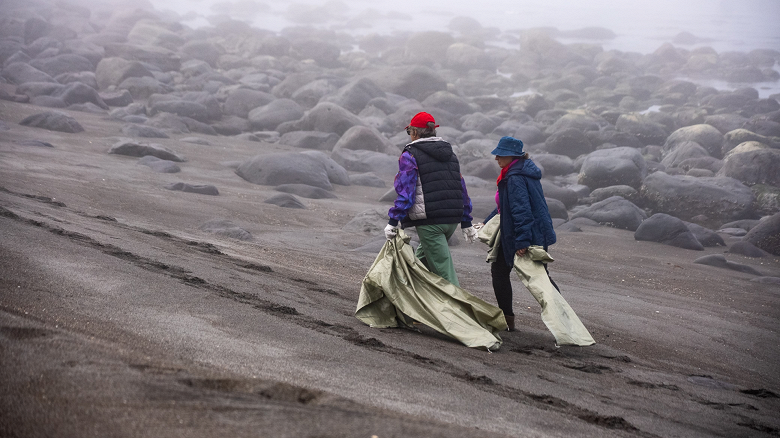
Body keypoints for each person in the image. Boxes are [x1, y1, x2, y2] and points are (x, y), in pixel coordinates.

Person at [385, 111, 478, 287]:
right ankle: (398, 299)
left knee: (445, 274)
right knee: (417, 265)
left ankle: (460, 312)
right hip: (451, 220)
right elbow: (461, 187)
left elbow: (406, 190)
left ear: (414, 133)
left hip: (430, 223)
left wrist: (393, 220)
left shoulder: (410, 154)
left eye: (409, 132)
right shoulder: (450, 154)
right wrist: (466, 221)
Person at [477, 136, 557, 331]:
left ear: (512, 156)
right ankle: (508, 320)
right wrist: (486, 222)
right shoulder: (518, 171)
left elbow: (521, 210)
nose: (496, 158)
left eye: (500, 154)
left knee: (537, 279)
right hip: (526, 231)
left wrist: (522, 241)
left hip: (525, 233)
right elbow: (504, 207)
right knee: (508, 272)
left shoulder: (515, 177)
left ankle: (560, 317)